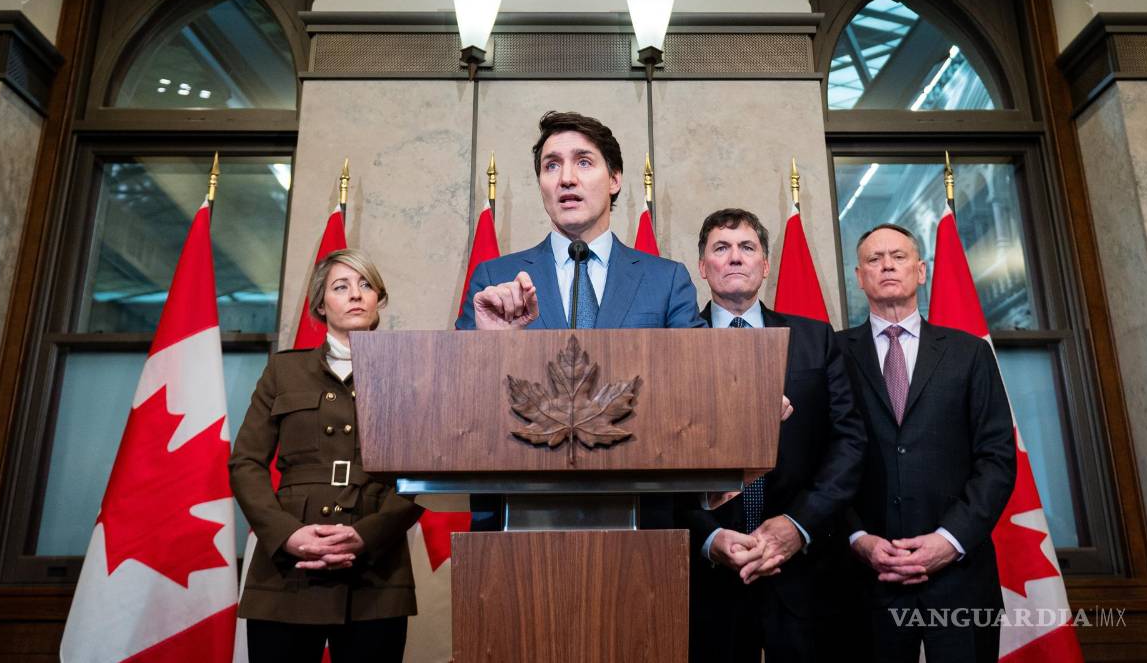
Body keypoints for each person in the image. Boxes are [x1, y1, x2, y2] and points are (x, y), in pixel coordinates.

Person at [678, 208, 866, 663]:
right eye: (720, 248)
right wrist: (707, 537)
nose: (735, 258)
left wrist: (797, 525)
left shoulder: (815, 339)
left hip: (804, 568)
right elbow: (653, 459)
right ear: (703, 268)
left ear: (766, 265)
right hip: (708, 573)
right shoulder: (674, 345)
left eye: (748, 248)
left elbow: (849, 442)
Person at [229, 249, 424, 663]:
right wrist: (286, 535)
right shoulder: (284, 372)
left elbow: (423, 474)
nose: (355, 295)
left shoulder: (408, 371)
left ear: (378, 299)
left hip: (375, 571)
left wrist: (367, 535)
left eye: (365, 285)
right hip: (285, 570)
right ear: (321, 304)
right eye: (341, 287)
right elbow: (246, 463)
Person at [838, 223, 1016, 663]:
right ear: (859, 277)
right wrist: (858, 538)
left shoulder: (969, 353)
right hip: (865, 581)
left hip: (960, 577)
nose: (887, 266)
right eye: (874, 259)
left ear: (921, 271)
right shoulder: (833, 355)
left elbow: (996, 459)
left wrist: (949, 539)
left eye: (898, 257)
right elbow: (822, 462)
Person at [455, 110, 705, 332]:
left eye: (584, 162)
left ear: (614, 179)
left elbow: (695, 372)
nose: (566, 179)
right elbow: (458, 377)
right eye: (551, 166)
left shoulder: (667, 280)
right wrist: (489, 344)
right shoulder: (493, 277)